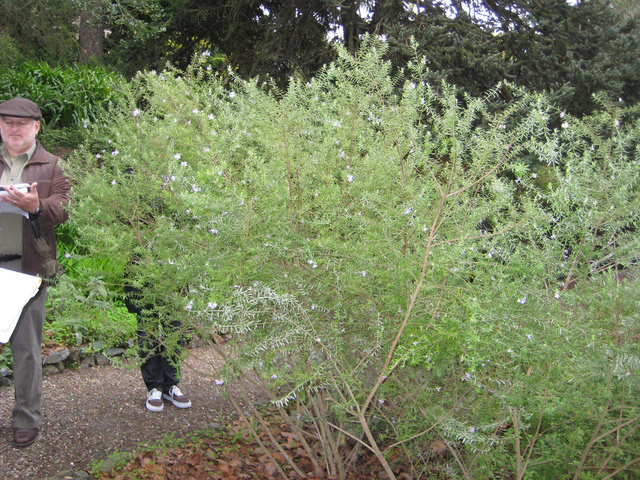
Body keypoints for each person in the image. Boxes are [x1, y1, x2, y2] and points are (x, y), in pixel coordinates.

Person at [0, 97, 70, 448]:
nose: (14, 128)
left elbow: (63, 208)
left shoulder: (53, 166)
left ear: (37, 127)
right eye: (7, 122)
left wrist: (37, 205)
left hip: (27, 271)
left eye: (22, 123)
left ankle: (26, 419)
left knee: (26, 350)